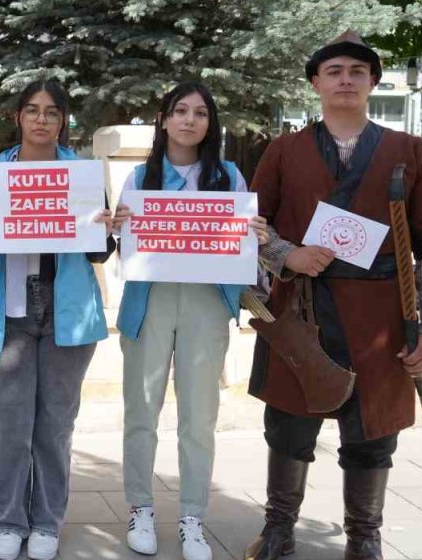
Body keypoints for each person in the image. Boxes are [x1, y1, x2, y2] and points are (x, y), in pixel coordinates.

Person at [245, 32, 422, 560]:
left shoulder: (410, 152)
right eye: (334, 70)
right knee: (288, 423)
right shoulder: (283, 150)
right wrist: (286, 254)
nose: (345, 79)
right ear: (316, 83)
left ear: (372, 83)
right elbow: (251, 224)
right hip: (300, 308)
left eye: (357, 72)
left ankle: (364, 538)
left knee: (372, 432)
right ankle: (278, 530)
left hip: (381, 313)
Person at [110, 82, 270, 560]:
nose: (189, 120)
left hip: (206, 305)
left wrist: (255, 234)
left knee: (199, 417)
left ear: (210, 124)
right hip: (149, 302)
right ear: (163, 119)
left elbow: (243, 247)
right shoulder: (140, 178)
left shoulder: (230, 178)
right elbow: (125, 249)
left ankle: (192, 517)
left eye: (200, 113)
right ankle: (140, 508)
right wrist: (118, 226)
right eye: (180, 111)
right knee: (142, 410)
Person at [0, 80, 116, 560]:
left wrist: (105, 227)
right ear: (18, 117)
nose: (41, 119)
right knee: (11, 424)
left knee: (54, 424)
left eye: (52, 112)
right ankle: (9, 520)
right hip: (11, 311)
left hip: (65, 309)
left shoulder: (83, 174)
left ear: (62, 120)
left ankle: (47, 522)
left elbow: (98, 252)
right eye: (32, 110)